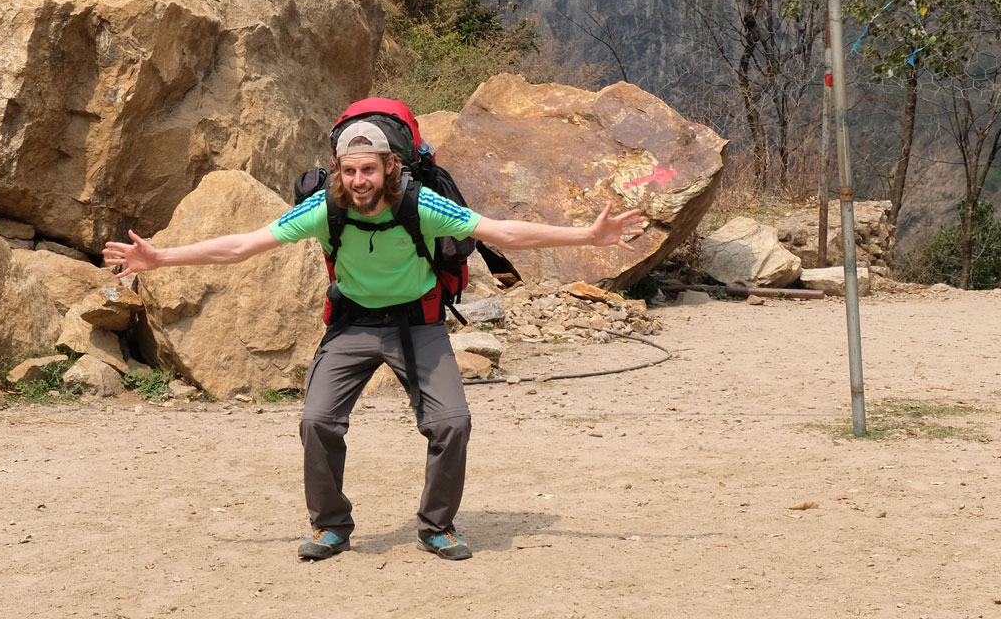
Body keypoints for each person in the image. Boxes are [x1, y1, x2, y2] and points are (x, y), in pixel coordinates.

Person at [103, 119, 646, 562]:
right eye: (349, 169)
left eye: (369, 169)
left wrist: (588, 236)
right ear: (337, 170)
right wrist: (160, 258)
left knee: (451, 422)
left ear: (391, 167)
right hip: (352, 326)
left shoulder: (421, 206)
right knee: (316, 421)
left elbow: (503, 233)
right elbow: (243, 246)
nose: (360, 180)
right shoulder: (324, 210)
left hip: (419, 324)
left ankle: (437, 527)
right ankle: (331, 526)